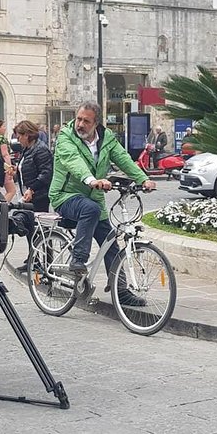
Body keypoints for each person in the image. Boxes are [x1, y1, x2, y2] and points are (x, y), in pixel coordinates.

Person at [49, 102, 156, 306]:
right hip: (65, 195)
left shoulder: (107, 139)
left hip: (94, 198)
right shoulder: (65, 136)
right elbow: (73, 161)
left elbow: (123, 158)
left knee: (111, 244)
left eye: (85, 121)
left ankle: (121, 291)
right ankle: (77, 261)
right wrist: (91, 180)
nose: (79, 124)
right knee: (89, 209)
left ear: (96, 123)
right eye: (79, 119)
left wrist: (143, 179)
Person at [13, 120, 54, 272]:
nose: (18, 139)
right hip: (28, 194)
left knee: (40, 230)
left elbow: (46, 174)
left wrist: (32, 189)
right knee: (31, 229)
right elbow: (26, 167)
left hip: (39, 196)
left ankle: (46, 263)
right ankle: (35, 259)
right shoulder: (28, 149)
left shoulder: (40, 150)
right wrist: (15, 171)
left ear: (28, 135)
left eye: (19, 136)